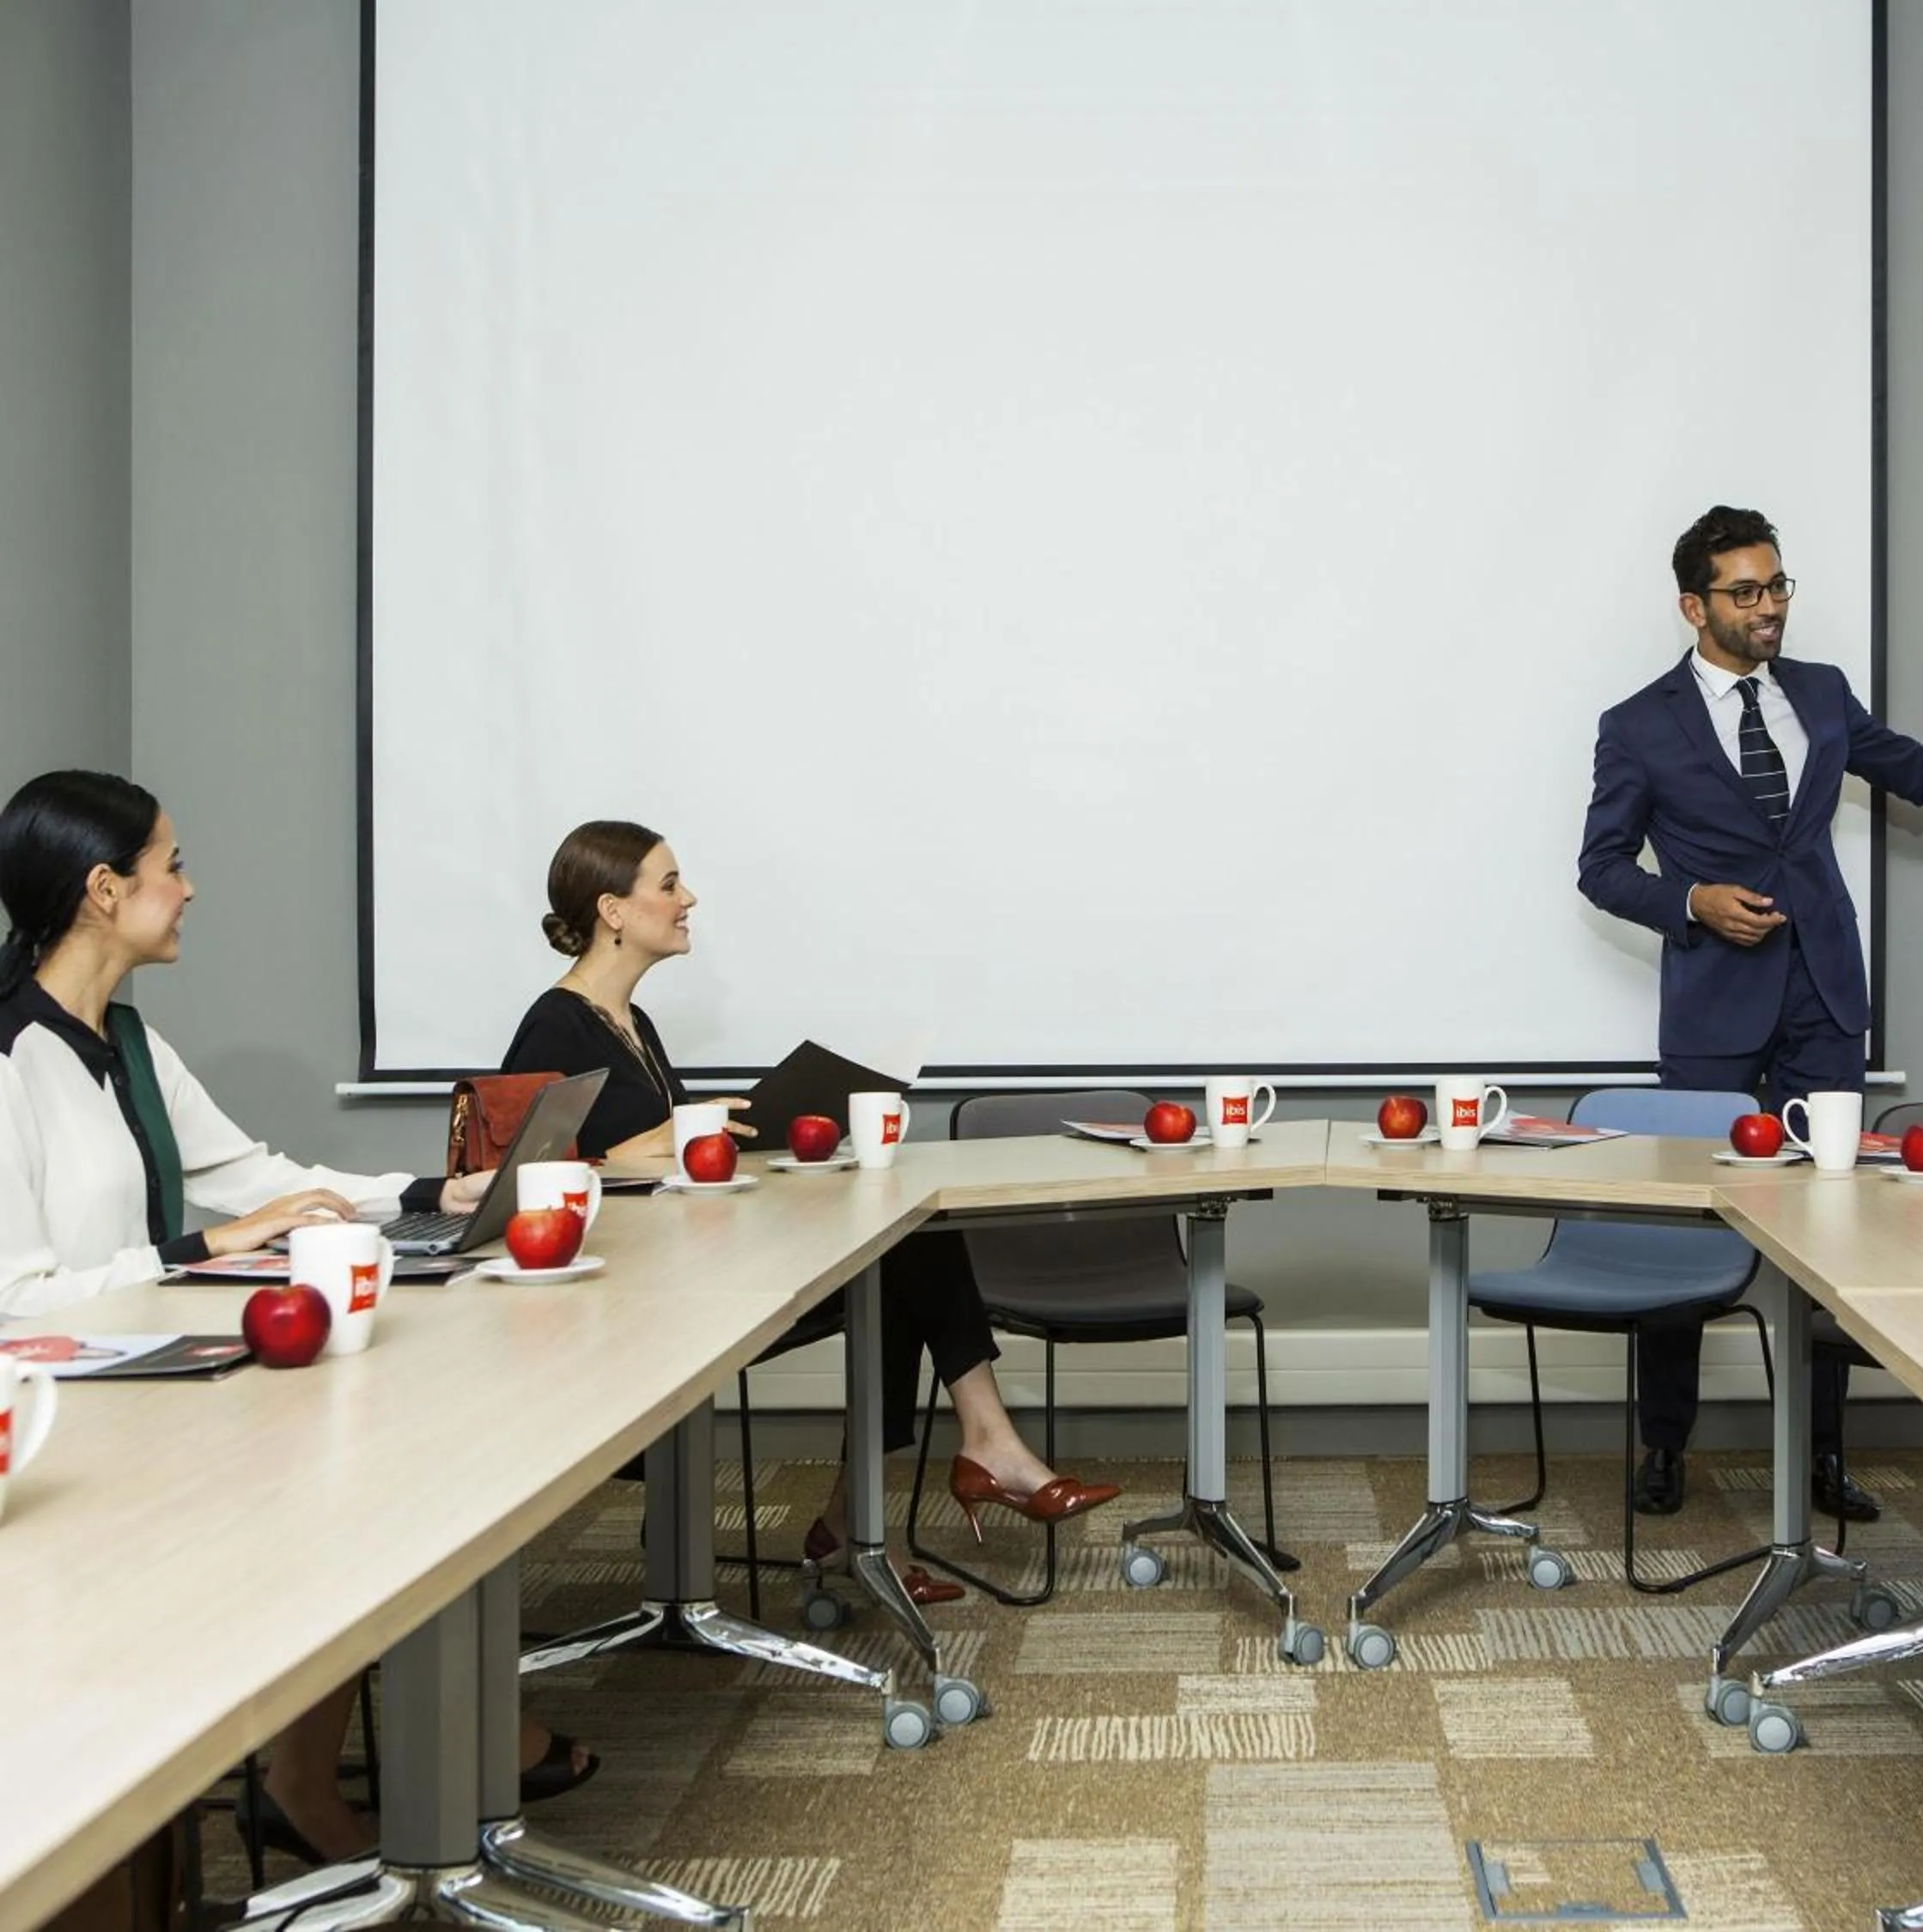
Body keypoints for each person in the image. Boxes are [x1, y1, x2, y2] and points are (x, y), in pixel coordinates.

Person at [0, 771, 593, 1867]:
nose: (190, 888)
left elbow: (259, 1177)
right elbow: (17, 1299)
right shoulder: (9, 1059)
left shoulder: (128, 1043)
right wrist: (203, 1248)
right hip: (62, 1419)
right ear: (102, 889)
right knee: (341, 1490)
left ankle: (317, 1774)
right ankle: (330, 1772)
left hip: (158, 1373)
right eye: (172, 864)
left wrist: (432, 1192)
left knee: (383, 1462)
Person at [1578, 504, 1923, 1521]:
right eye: (1746, 592)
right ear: (1694, 606)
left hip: (1826, 995)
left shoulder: (1823, 694)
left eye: (1778, 586)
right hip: (1712, 1007)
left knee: (1830, 1229)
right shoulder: (1639, 724)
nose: (1769, 607)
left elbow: (1922, 772)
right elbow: (1602, 868)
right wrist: (1691, 902)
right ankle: (1664, 1444)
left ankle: (1822, 1453)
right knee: (1683, 1223)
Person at [500, 822, 1118, 1605]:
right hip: (633, 1307)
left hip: (685, 1271)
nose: (689, 899)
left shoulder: (633, 1026)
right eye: (669, 884)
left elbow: (660, 1162)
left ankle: (917, 1485)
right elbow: (512, 1185)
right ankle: (925, 1484)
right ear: (612, 910)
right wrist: (645, 1145)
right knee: (899, 1261)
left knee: (904, 1241)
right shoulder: (554, 1025)